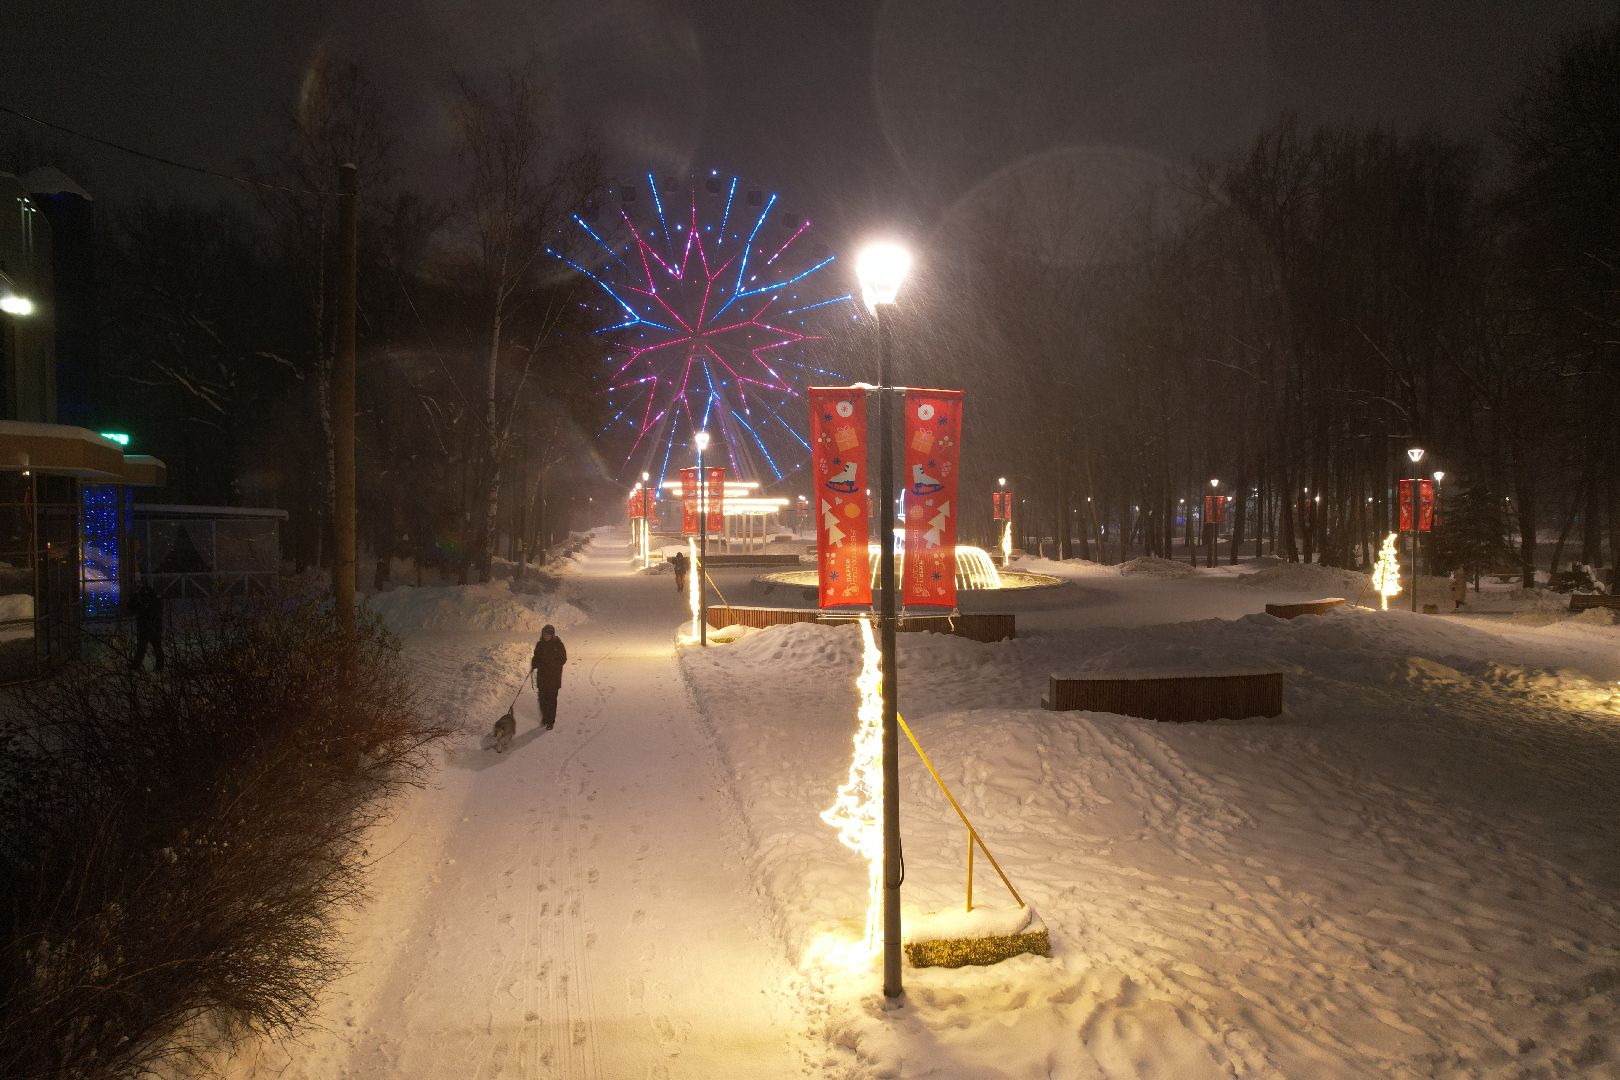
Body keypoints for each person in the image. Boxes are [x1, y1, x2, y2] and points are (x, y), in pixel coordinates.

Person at [530, 624, 567, 731]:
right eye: (544, 634)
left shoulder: (558, 645)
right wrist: (534, 664)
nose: (546, 636)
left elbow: (563, 659)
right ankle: (545, 718)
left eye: (548, 634)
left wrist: (550, 664)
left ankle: (550, 721)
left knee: (551, 700)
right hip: (542, 677)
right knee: (542, 699)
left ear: (552, 634)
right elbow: (536, 656)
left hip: (553, 678)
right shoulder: (540, 644)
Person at [130, 581, 164, 672]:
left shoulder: (148, 597)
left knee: (149, 647)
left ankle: (136, 666)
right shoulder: (146, 597)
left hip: (149, 626)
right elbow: (131, 608)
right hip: (148, 626)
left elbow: (131, 608)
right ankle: (136, 665)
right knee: (147, 647)